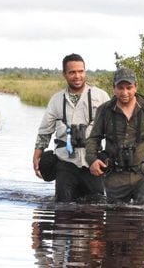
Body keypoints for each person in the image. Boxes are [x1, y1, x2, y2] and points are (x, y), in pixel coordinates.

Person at [85, 67, 144, 204]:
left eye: (129, 87)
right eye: (120, 88)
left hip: (143, 173)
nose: (125, 92)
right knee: (115, 220)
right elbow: (94, 138)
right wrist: (92, 160)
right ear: (114, 88)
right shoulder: (105, 110)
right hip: (114, 175)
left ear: (136, 87)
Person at [32, 53, 110, 202]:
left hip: (93, 163)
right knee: (63, 209)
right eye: (72, 72)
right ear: (64, 74)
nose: (77, 76)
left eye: (81, 71)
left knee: (97, 209)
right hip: (65, 163)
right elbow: (45, 131)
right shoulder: (56, 100)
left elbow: (114, 130)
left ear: (85, 71)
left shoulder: (101, 96)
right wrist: (36, 156)